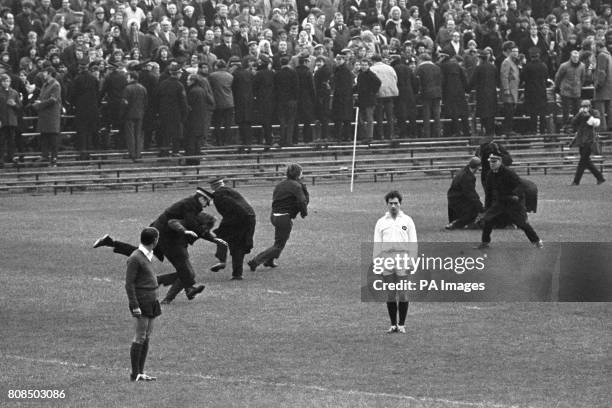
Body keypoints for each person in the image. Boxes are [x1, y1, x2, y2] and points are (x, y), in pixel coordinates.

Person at [95, 188, 214, 301]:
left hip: (162, 233)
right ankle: (185, 288)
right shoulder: (191, 205)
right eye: (207, 202)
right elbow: (190, 223)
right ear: (202, 198)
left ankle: (110, 242)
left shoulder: (192, 205)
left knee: (142, 254)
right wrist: (206, 234)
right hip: (163, 235)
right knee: (182, 267)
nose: (206, 205)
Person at [477, 147, 543, 249]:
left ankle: (537, 241)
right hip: (500, 202)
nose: (492, 164)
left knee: (522, 224)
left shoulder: (509, 173)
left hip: (513, 203)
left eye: (494, 161)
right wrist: (487, 208)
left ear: (500, 162)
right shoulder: (490, 175)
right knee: (488, 219)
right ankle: (485, 242)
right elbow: (489, 193)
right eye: (490, 162)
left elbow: (520, 185)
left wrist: (516, 195)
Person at [248, 163, 309, 271]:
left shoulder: (280, 184)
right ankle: (255, 261)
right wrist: (304, 212)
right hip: (283, 217)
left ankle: (269, 261)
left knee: (279, 241)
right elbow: (302, 200)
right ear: (298, 174)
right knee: (279, 245)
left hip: (274, 216)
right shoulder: (297, 186)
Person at [373, 190, 417, 334]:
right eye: (391, 203)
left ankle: (402, 324)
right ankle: (393, 325)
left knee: (403, 293)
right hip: (386, 260)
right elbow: (377, 244)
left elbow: (413, 242)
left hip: (403, 259)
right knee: (390, 294)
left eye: (396, 203)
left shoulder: (407, 221)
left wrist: (412, 262)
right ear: (387, 204)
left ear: (400, 204)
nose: (393, 206)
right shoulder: (381, 222)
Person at [125, 227, 161, 382]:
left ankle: (141, 372)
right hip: (142, 301)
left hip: (152, 300)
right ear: (154, 241)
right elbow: (129, 284)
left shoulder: (148, 255)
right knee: (140, 336)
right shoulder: (135, 258)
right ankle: (135, 374)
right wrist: (134, 305)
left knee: (147, 336)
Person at [203, 178, 256, 280]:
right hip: (250, 217)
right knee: (238, 245)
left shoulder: (218, 195)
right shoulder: (230, 190)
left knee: (221, 236)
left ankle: (222, 260)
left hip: (237, 217)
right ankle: (237, 274)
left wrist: (228, 222)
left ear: (213, 186)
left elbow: (231, 207)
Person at [570, 100, 606, 186]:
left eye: (586, 106)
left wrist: (588, 116)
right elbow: (573, 123)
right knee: (586, 161)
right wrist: (579, 115)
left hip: (590, 140)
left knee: (582, 162)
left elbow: (596, 123)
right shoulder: (580, 114)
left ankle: (576, 181)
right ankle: (600, 177)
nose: (584, 108)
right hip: (581, 140)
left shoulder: (595, 112)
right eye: (583, 106)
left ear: (590, 106)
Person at [33, 66, 62, 166]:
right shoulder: (45, 85)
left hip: (52, 116)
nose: (42, 74)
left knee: (53, 137)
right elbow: (44, 97)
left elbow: (53, 99)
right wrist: (38, 102)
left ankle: (54, 159)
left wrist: (39, 104)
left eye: (44, 72)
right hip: (44, 115)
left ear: (49, 73)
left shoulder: (55, 85)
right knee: (44, 136)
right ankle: (44, 156)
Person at [446, 157, 484, 230]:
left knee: (471, 210)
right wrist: (480, 207)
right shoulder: (468, 177)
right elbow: (471, 194)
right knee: (473, 212)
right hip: (458, 200)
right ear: (477, 167)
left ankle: (456, 223)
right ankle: (455, 224)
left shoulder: (463, 171)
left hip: (452, 198)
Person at [122, 71, 148, 160]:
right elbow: (145, 102)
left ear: (132, 78)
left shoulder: (127, 88)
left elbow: (125, 103)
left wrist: (122, 113)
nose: (127, 79)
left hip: (129, 114)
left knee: (130, 135)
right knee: (138, 134)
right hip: (140, 114)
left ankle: (132, 153)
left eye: (128, 77)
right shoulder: (143, 88)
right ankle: (138, 153)